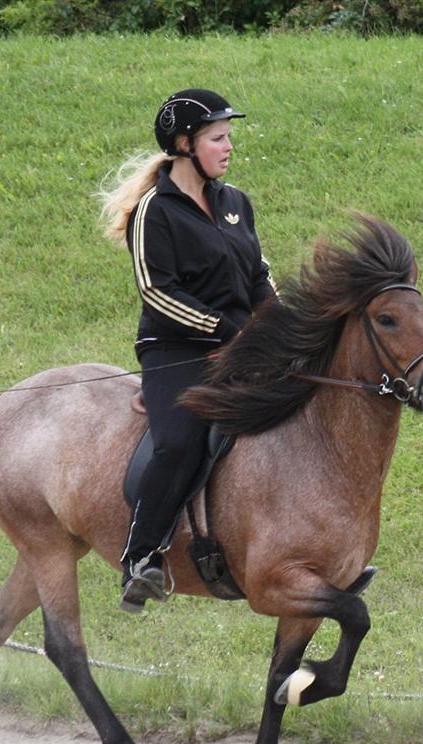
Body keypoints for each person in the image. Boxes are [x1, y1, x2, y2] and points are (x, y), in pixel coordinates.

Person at [99, 89, 279, 613]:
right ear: (185, 144)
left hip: (241, 345)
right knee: (178, 443)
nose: (228, 147)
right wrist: (230, 332)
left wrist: (289, 330)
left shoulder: (234, 203)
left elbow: (259, 277)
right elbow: (157, 292)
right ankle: (140, 558)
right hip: (177, 351)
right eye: (217, 138)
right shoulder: (153, 211)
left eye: (228, 138)